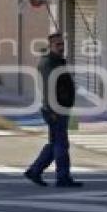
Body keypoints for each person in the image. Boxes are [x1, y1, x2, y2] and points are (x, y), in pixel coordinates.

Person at [24, 33, 81, 188]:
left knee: (55, 143)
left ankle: (35, 171)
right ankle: (63, 177)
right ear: (50, 46)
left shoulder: (56, 61)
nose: (61, 47)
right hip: (55, 109)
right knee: (61, 144)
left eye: (62, 44)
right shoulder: (49, 63)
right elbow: (50, 88)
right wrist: (53, 109)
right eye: (58, 45)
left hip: (58, 107)